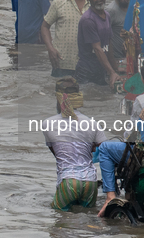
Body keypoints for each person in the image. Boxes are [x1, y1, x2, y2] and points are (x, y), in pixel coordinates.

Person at [97, 58, 144, 217]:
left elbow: (130, 135)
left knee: (105, 148)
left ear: (142, 80)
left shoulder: (142, 100)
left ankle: (110, 197)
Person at [43, 77, 107, 211]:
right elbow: (106, 152)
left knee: (60, 221)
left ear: (58, 98)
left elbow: (58, 154)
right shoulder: (93, 123)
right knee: (88, 222)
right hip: (90, 182)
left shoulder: (47, 124)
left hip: (68, 180)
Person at [41, 0, 89, 77]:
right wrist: (50, 49)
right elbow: (45, 26)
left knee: (87, 92)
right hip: (62, 62)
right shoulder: (59, 3)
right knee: (60, 93)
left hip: (87, 64)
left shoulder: (93, 5)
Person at [74, 0, 123, 88]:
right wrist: (111, 73)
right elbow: (97, 49)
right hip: (87, 72)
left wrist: (115, 68)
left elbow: (108, 43)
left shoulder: (107, 15)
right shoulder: (88, 20)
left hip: (101, 69)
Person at [106, 0, 135, 71]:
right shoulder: (111, 11)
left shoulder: (135, 9)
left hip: (132, 59)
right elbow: (104, 39)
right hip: (117, 62)